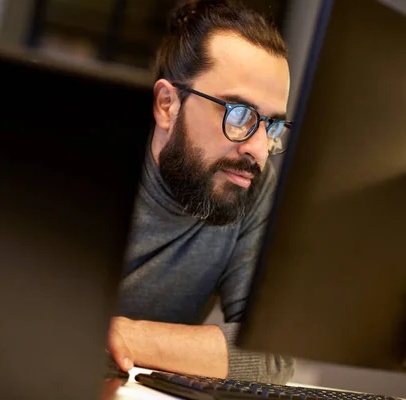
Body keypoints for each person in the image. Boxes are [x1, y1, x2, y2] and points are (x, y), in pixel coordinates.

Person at [109, 0, 296, 384]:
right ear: (167, 104)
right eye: (239, 115)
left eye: (271, 125)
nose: (258, 151)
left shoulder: (249, 185)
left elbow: (272, 353)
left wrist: (122, 335)